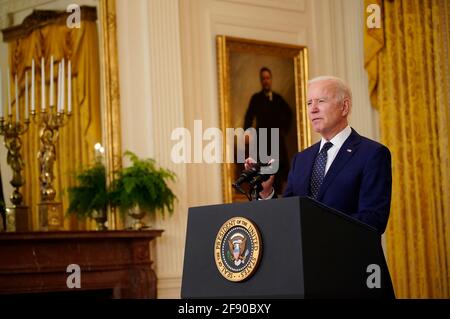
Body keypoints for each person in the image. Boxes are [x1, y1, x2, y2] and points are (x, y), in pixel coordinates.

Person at [245, 76, 392, 234]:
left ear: (344, 107)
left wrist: (316, 228)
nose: (313, 109)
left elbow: (373, 220)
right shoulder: (300, 160)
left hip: (350, 256)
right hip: (303, 258)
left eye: (321, 101)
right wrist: (266, 191)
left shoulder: (372, 154)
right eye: (309, 103)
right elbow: (287, 215)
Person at [243, 67, 292, 194]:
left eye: (267, 78)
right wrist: (248, 133)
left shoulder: (278, 98)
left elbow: (289, 113)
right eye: (263, 78)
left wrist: (282, 128)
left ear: (271, 80)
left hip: (276, 139)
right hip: (262, 139)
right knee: (263, 170)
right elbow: (248, 117)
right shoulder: (256, 98)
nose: (266, 81)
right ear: (261, 81)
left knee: (279, 170)